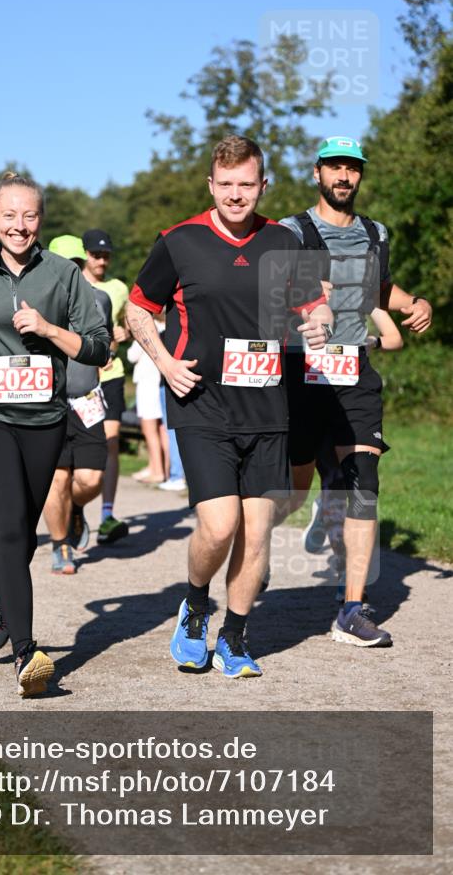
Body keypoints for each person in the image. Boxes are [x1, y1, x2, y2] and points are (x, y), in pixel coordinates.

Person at [127, 135, 332, 679]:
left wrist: (320, 321)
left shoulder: (285, 242)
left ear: (263, 185)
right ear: (210, 185)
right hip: (202, 404)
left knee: (257, 532)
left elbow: (317, 305)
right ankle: (195, 606)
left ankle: (235, 637)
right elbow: (137, 308)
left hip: (268, 408)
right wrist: (166, 364)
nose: (237, 195)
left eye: (247, 184)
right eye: (227, 185)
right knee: (219, 527)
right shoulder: (180, 240)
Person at [0, 173, 109, 697]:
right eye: (9, 215)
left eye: (29, 216)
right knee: (9, 526)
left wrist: (50, 329)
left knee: (22, 533)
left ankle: (1, 600)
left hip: (44, 419)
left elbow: (98, 347)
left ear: (41, 221)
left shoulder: (63, 275)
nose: (19, 225)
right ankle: (27, 653)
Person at [278, 136, 432, 647]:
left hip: (354, 372)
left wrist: (413, 303)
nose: (344, 177)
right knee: (294, 490)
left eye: (352, 169)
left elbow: (378, 287)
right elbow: (268, 297)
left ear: (360, 175)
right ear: (317, 173)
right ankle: (276, 534)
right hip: (302, 372)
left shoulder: (375, 233)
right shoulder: (291, 232)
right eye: (334, 168)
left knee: (363, 478)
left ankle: (351, 608)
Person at [302, 306, 404, 602]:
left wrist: (371, 342)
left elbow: (395, 338)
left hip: (354, 403)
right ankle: (337, 549)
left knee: (357, 485)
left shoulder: (362, 295)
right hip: (315, 399)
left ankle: (350, 580)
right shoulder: (303, 295)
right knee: (333, 486)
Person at [42, 235, 112, 575]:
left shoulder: (99, 299)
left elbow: (106, 342)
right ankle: (61, 546)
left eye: (74, 263)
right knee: (56, 480)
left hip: (87, 402)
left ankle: (75, 510)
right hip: (48, 404)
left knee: (91, 479)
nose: (69, 270)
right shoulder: (35, 303)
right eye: (61, 264)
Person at [81, 229, 130, 544]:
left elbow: (128, 322)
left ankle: (107, 515)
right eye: (96, 254)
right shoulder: (73, 285)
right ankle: (76, 511)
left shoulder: (119, 288)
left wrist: (125, 332)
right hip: (82, 381)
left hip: (112, 376)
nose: (102, 260)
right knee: (84, 450)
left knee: (111, 443)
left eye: (106, 255)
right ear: (85, 254)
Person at [127, 323, 169, 483]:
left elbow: (132, 355)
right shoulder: (165, 328)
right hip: (157, 383)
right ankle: (160, 467)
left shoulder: (145, 328)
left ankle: (158, 471)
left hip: (147, 383)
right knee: (161, 429)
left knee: (149, 430)